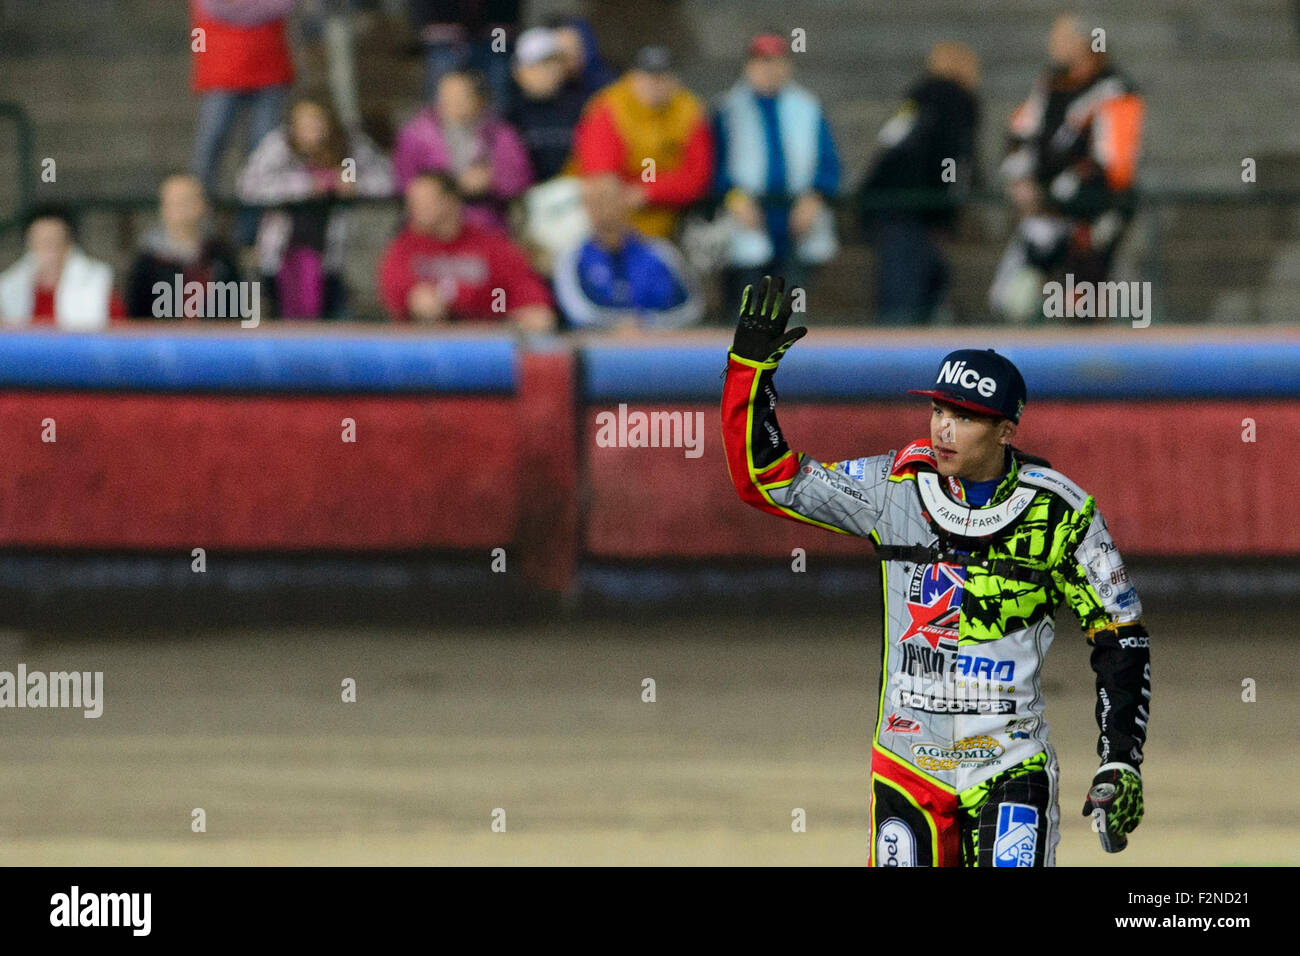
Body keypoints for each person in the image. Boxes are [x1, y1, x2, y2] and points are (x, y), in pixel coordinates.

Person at [721, 276, 1151, 866]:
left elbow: (1119, 636)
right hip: (906, 765)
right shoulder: (894, 487)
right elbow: (768, 479)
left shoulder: (1063, 512)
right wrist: (750, 370)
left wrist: (1119, 758)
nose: (943, 427)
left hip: (1009, 764)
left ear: (1006, 431)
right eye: (938, 408)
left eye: (966, 416)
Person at [990, 11, 1145, 323]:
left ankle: (1088, 358)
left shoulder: (1114, 90)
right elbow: (1020, 131)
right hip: (1047, 211)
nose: (1053, 44)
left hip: (1091, 210)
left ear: (1084, 42)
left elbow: (1114, 164)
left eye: (1061, 37)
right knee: (1010, 299)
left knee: (1083, 294)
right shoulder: (1050, 85)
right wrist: (1021, 179)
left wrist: (1056, 191)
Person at [713, 33, 841, 309]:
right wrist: (735, 199)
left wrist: (813, 197)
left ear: (787, 65)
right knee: (746, 307)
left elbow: (828, 164)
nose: (768, 69)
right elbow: (715, 166)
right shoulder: (727, 109)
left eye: (775, 61)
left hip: (795, 218)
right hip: (747, 217)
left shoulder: (807, 106)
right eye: (761, 62)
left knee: (790, 307)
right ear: (749, 66)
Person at [237, 93, 393, 318]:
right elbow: (248, 186)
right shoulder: (279, 145)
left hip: (336, 255)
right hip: (284, 254)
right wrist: (306, 184)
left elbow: (385, 180)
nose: (311, 128)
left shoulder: (349, 147)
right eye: (303, 121)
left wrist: (354, 183)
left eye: (317, 119)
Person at [857, 42, 981, 325]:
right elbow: (954, 158)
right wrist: (946, 214)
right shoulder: (957, 100)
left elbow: (891, 146)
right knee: (906, 298)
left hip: (886, 203)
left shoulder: (917, 99)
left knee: (915, 285)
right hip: (913, 210)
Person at [377, 172, 555, 331]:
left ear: (450, 201)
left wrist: (505, 320)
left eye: (423, 202)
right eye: (412, 203)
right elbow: (399, 298)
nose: (414, 210)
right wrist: (418, 303)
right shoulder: (404, 247)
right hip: (425, 348)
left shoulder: (492, 247)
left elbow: (536, 309)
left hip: (484, 348)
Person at [570, 46, 713, 240]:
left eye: (661, 77)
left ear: (674, 80)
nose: (653, 84)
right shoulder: (609, 106)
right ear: (633, 76)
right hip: (605, 220)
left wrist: (648, 190)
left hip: (668, 219)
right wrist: (622, 195)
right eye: (646, 76)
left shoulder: (688, 111)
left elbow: (696, 177)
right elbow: (600, 174)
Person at [553, 174, 702, 331]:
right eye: (597, 202)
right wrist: (616, 325)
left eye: (611, 200)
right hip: (600, 346)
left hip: (661, 344)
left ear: (626, 202)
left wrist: (646, 323)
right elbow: (577, 311)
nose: (605, 209)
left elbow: (691, 306)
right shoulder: (571, 257)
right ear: (587, 208)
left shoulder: (660, 252)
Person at [393, 69, 534, 233]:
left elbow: (521, 180)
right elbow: (403, 185)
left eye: (460, 96)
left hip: (486, 224)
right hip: (431, 227)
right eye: (446, 96)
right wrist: (446, 189)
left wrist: (493, 179)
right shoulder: (415, 135)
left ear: (478, 100)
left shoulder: (500, 133)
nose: (452, 103)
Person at [189, 0, 296, 195]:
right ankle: (197, 216)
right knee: (210, 146)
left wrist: (238, 7)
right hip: (220, 74)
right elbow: (214, 7)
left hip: (270, 71)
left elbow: (282, 5)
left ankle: (256, 223)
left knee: (264, 154)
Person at [127, 174, 243, 319]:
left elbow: (237, 310)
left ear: (202, 205)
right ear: (163, 208)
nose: (182, 210)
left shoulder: (220, 256)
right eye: (175, 203)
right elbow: (135, 317)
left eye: (188, 201)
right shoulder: (147, 263)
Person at [0, 205, 126, 329]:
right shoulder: (9, 285)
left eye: (53, 243)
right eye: (39, 243)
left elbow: (119, 333)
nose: (46, 252)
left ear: (68, 245)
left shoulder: (99, 283)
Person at [506, 27, 590, 183]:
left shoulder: (582, 108)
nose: (550, 70)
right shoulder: (509, 114)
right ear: (519, 71)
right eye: (541, 64)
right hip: (526, 199)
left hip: (574, 194)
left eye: (554, 62)